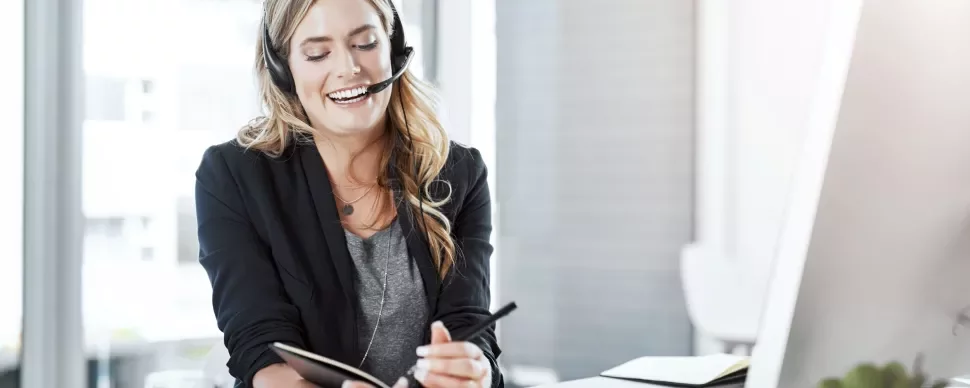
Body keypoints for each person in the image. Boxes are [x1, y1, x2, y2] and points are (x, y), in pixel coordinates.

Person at [193, 0, 501, 387]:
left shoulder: (457, 172)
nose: (348, 68)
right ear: (283, 68)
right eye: (317, 53)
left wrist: (473, 370)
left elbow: (470, 328)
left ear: (394, 49)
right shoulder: (233, 176)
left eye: (366, 43)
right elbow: (258, 347)